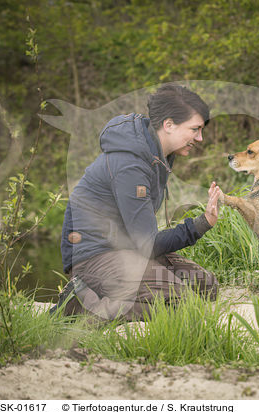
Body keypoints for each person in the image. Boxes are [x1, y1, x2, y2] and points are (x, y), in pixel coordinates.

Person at [50, 84, 221, 322]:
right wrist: (200, 224)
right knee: (183, 303)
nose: (200, 138)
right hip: (94, 257)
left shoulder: (156, 157)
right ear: (169, 125)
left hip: (127, 249)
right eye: (195, 129)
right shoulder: (130, 164)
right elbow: (148, 244)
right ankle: (79, 306)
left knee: (207, 287)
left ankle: (111, 299)